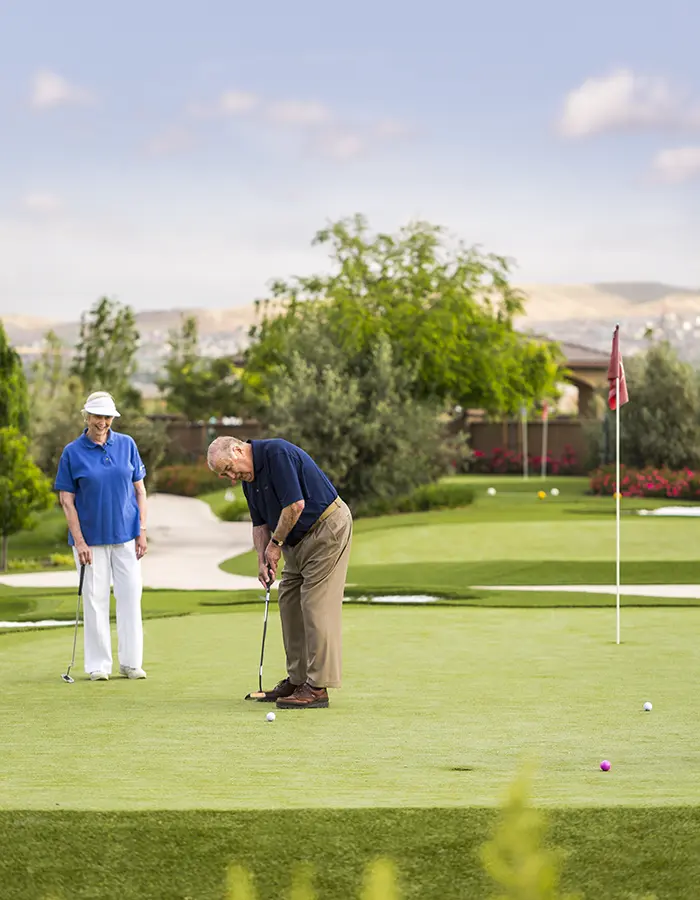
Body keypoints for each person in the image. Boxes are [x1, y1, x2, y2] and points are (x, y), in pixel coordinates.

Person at [207, 435, 353, 710]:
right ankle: (298, 679)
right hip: (296, 540)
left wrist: (275, 546)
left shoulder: (276, 454)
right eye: (223, 474)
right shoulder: (249, 482)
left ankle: (318, 686)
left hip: (326, 528)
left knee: (315, 604)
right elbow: (259, 524)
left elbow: (295, 505)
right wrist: (262, 559)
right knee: (288, 601)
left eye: (228, 469)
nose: (230, 477)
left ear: (238, 449)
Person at [55, 391, 148, 681]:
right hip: (90, 542)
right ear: (87, 417)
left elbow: (140, 490)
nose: (103, 422)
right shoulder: (72, 451)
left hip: (126, 537)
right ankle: (98, 665)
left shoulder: (127, 444)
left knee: (131, 596)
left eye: (107, 416)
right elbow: (66, 500)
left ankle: (131, 663)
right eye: (97, 416)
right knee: (95, 601)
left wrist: (142, 531)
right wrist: (79, 541)